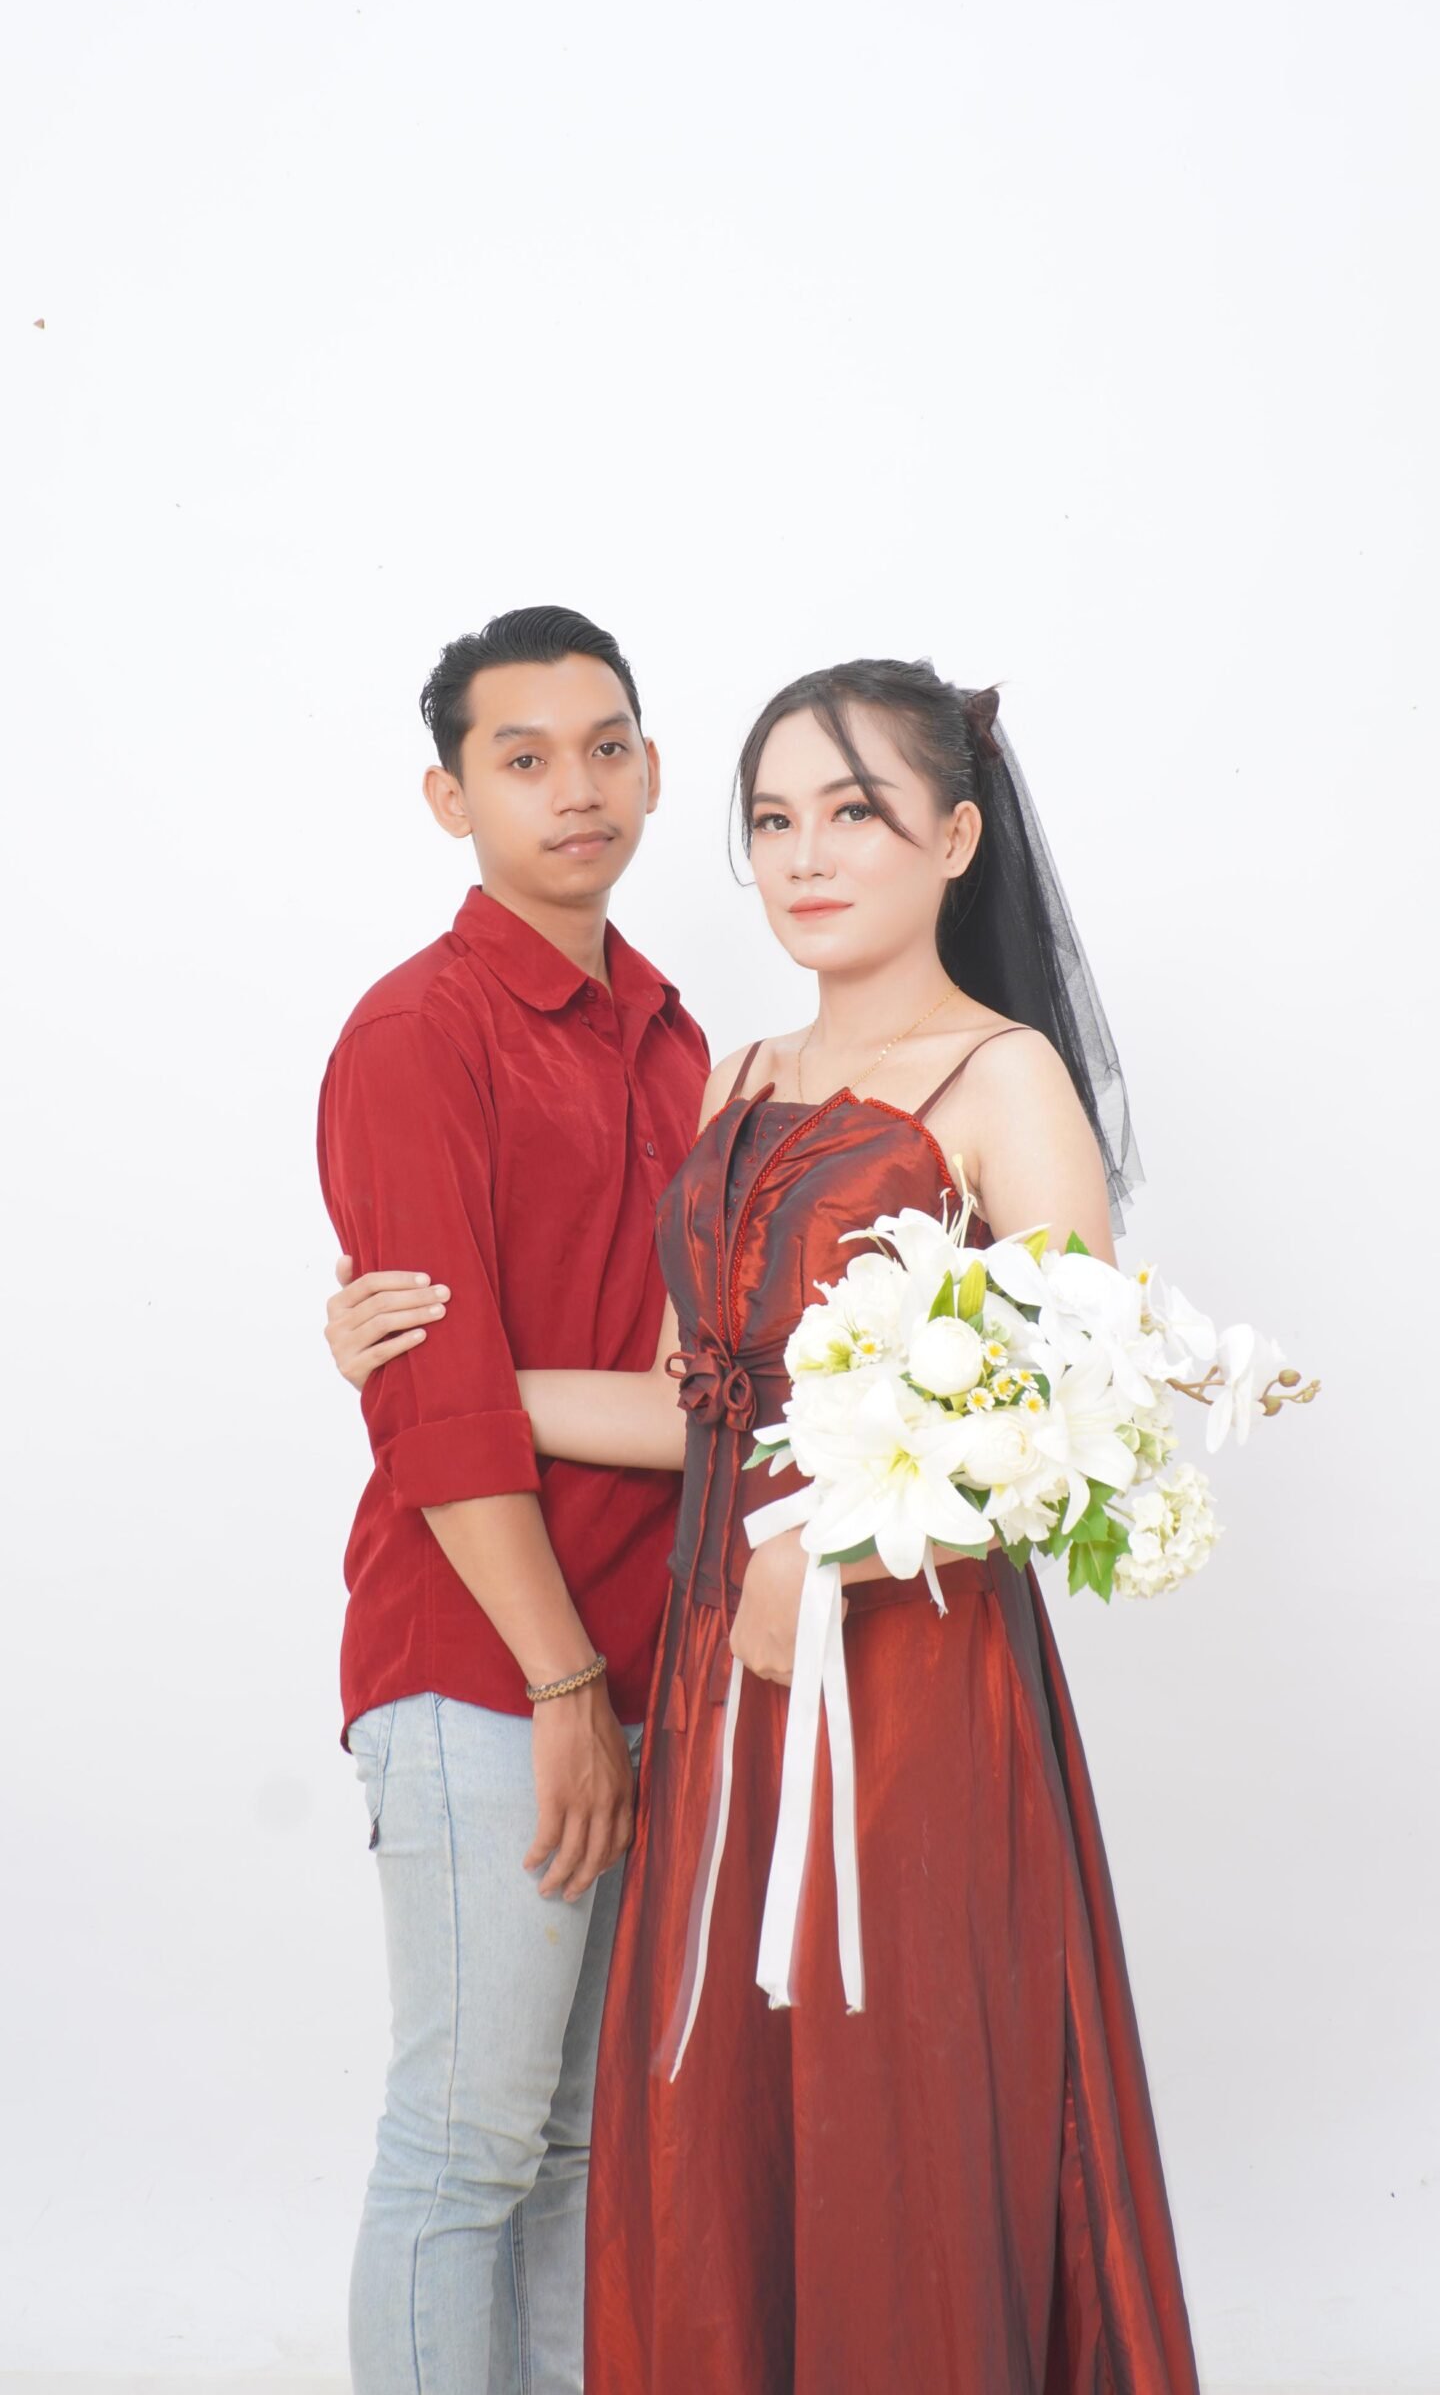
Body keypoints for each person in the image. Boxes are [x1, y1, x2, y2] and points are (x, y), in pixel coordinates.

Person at [329, 657, 1202, 2391]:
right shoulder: (737, 1073)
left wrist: (838, 1545)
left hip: (908, 1691)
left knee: (896, 2112)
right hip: (723, 1683)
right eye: (776, 820)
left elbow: (1078, 1410)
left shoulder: (1003, 1077)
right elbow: (696, 1404)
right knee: (714, 2132)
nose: (807, 856)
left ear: (955, 838)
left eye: (855, 813)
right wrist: (435, 1366)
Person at [315, 605, 708, 2395]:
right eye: (524, 758)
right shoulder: (420, 1032)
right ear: (449, 797)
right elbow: (439, 1412)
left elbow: (707, 1385)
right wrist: (562, 1686)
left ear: (651, 767)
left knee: (574, 2150)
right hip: (485, 1664)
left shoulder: (675, 1039)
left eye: (607, 747)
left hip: (646, 1659)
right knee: (465, 2146)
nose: (577, 788)